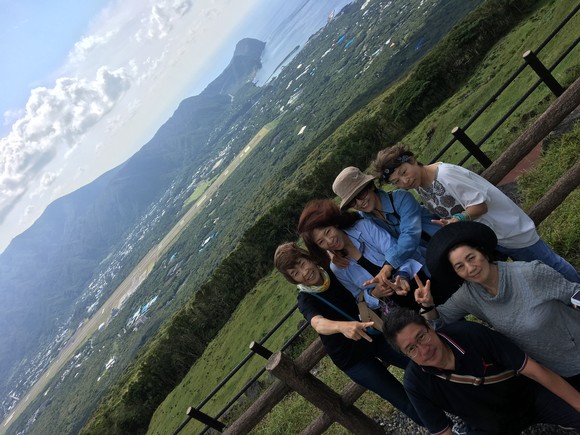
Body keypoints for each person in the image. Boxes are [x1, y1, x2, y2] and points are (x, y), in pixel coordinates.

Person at [371, 143, 580, 283]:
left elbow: (480, 205)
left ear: (413, 160)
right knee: (536, 276)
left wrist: (459, 219)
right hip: (491, 239)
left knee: (551, 265)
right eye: (396, 181)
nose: (404, 181)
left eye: (404, 172)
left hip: (507, 231)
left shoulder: (446, 175)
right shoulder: (421, 187)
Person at [273, 242, 423, 425]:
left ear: (309, 258)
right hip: (351, 358)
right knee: (401, 399)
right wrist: (343, 327)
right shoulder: (306, 299)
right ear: (294, 280)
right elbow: (318, 323)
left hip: (374, 336)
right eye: (295, 273)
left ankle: (455, 403)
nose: (304, 273)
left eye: (302, 264)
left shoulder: (335, 271)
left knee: (420, 363)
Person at [414, 221, 580, 384]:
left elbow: (574, 294)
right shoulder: (469, 295)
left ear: (484, 253)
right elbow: (439, 322)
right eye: (460, 266)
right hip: (551, 372)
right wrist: (427, 304)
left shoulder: (531, 273)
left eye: (471, 258)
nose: (470, 268)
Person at [383, 308, 580, 434]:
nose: (424, 350)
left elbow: (534, 370)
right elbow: (441, 431)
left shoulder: (469, 333)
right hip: (488, 426)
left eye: (421, 337)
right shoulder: (415, 383)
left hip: (529, 397)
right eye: (411, 349)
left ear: (429, 327)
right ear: (405, 355)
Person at [332, 166, 460, 300]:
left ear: (370, 186)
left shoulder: (401, 198)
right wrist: (331, 252)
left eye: (360, 194)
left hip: (445, 250)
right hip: (423, 269)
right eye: (353, 202)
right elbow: (337, 233)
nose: (360, 203)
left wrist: (388, 266)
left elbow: (410, 235)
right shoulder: (363, 219)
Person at [298, 199, 425, 312]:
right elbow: (358, 297)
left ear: (335, 224)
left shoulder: (364, 228)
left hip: (419, 282)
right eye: (321, 242)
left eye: (328, 231)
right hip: (401, 311)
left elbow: (397, 252)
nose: (329, 241)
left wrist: (402, 276)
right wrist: (375, 294)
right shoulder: (337, 267)